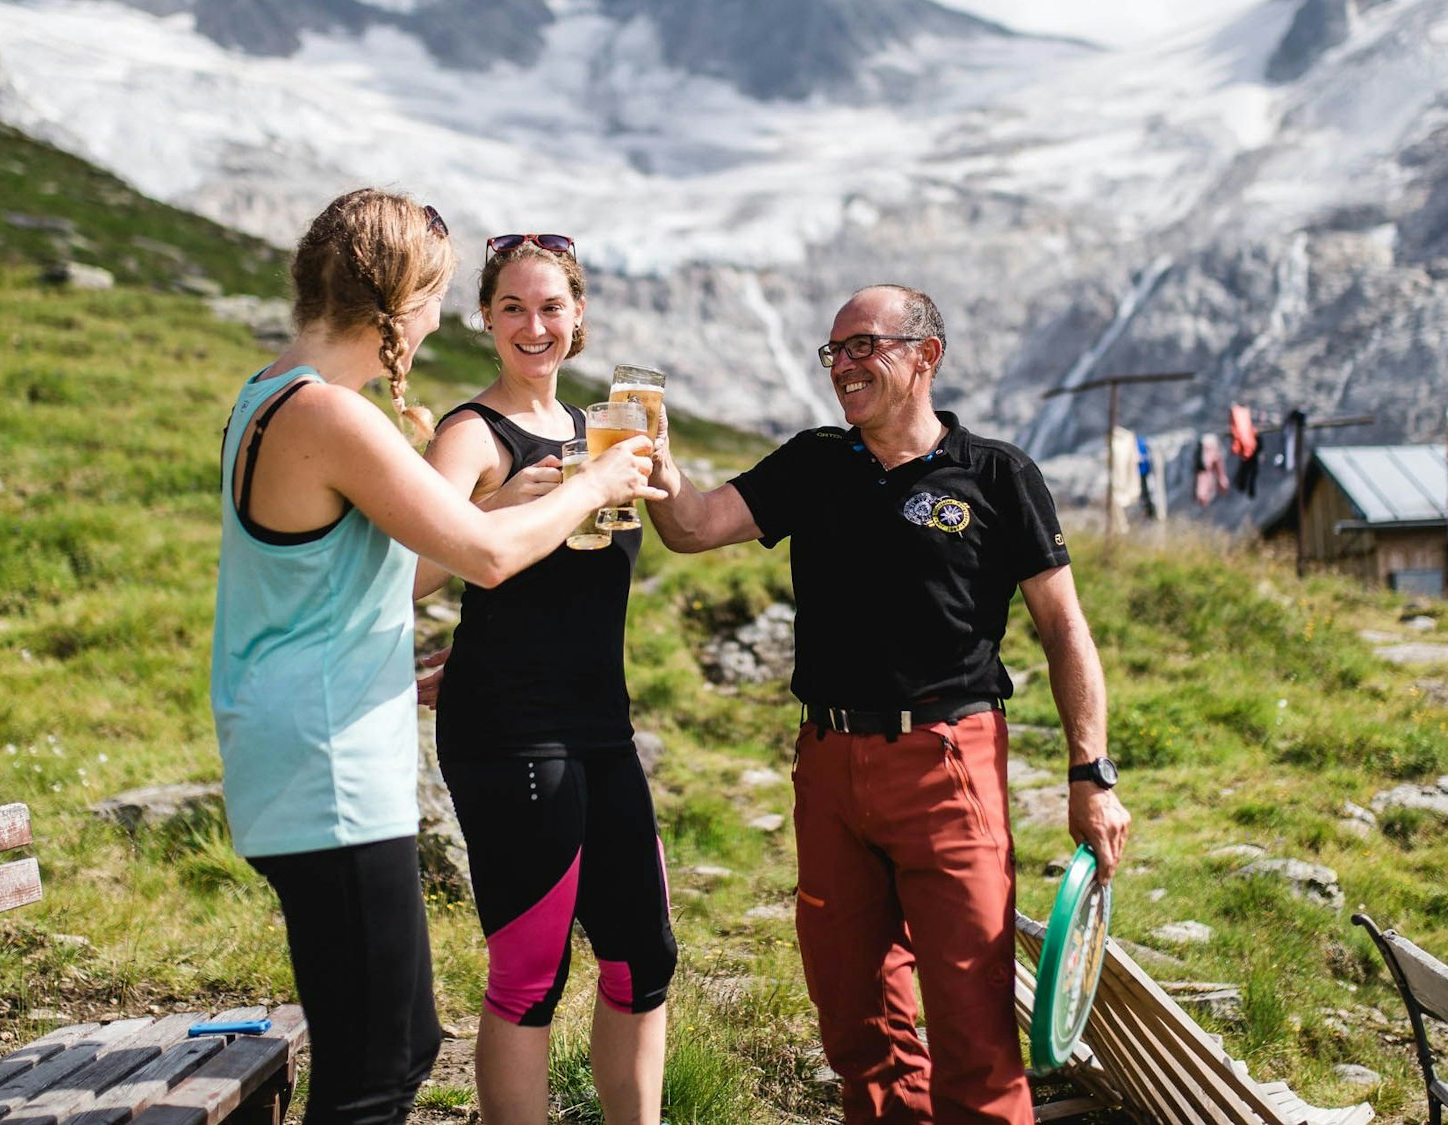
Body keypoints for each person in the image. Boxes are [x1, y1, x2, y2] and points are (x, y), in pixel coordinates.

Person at [209, 189, 662, 1125]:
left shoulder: (268, 393)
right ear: (396, 306)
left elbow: (325, 579)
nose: (430, 323)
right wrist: (600, 482)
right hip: (327, 760)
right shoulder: (333, 414)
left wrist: (449, 660)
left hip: (300, 741)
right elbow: (480, 554)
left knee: (392, 1046)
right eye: (436, 299)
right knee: (381, 1063)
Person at [644, 284, 1131, 1125]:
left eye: (864, 345)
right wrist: (652, 463)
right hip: (828, 763)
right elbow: (690, 527)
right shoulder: (814, 463)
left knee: (974, 1020)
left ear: (926, 355)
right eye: (834, 351)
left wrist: (1091, 771)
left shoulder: (998, 474)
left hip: (949, 761)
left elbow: (1065, 630)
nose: (845, 366)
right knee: (857, 1021)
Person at [413, 233, 675, 1125]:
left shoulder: (601, 432)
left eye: (552, 306)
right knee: (530, 974)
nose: (535, 325)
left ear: (579, 318)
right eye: (514, 307)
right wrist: (492, 505)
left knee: (644, 958)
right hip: (510, 731)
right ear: (484, 316)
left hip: (602, 724)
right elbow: (408, 570)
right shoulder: (471, 433)